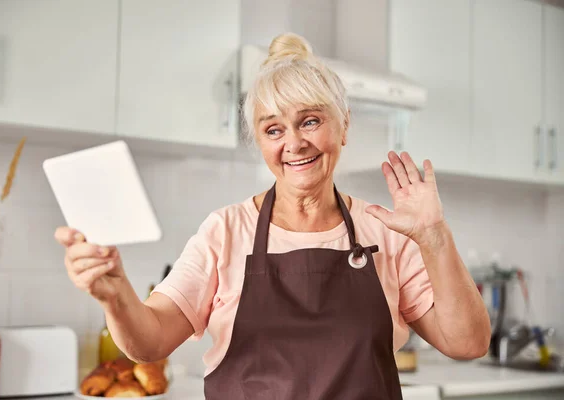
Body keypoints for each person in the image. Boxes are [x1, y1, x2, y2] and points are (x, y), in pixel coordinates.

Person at [55, 33, 491, 399]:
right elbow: (149, 342)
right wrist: (116, 296)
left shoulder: (386, 233)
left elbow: (468, 342)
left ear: (344, 125)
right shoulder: (225, 231)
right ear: (261, 142)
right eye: (274, 129)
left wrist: (433, 236)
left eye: (311, 121)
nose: (294, 144)